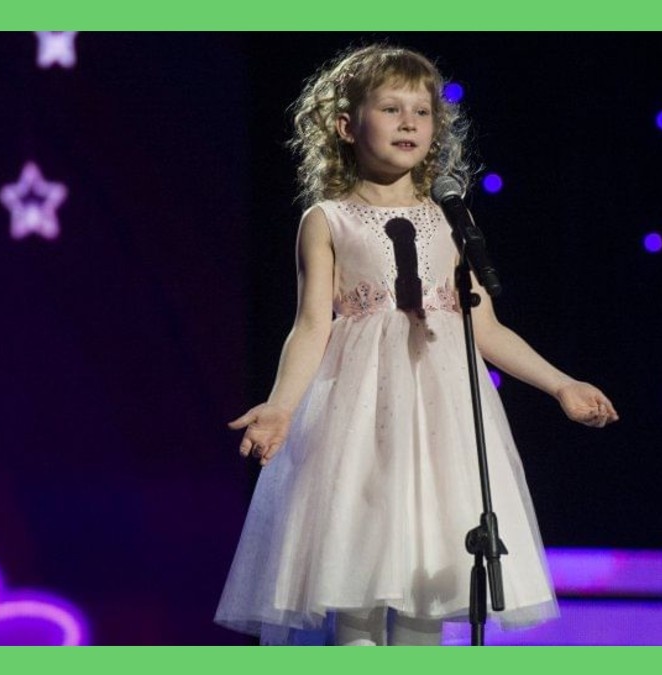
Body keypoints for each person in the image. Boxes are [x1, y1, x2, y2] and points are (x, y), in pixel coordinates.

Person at [214, 44, 618, 646]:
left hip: (436, 427)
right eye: (390, 108)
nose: (409, 122)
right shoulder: (328, 219)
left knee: (426, 595)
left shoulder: (451, 220)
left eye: (422, 111)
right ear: (346, 126)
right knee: (354, 588)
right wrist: (281, 406)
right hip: (358, 425)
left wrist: (562, 384)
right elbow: (312, 325)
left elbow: (485, 328)